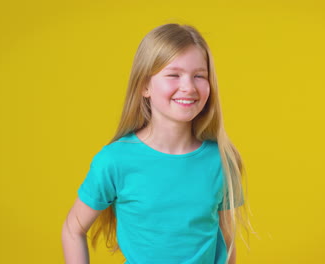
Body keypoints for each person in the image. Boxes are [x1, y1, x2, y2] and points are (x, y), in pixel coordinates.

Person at [61, 23, 252, 264]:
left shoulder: (222, 161)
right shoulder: (114, 161)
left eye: (199, 76)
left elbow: (226, 240)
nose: (189, 87)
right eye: (174, 74)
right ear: (144, 86)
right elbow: (72, 229)